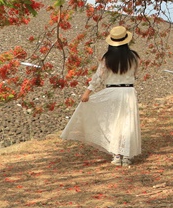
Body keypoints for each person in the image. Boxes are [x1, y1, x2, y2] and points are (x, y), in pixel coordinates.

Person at [60, 25, 142, 166]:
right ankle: (127, 155)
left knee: (112, 122)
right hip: (128, 92)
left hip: (112, 92)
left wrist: (87, 92)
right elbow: (135, 74)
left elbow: (98, 77)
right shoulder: (134, 57)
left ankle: (117, 155)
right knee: (127, 123)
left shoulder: (107, 58)